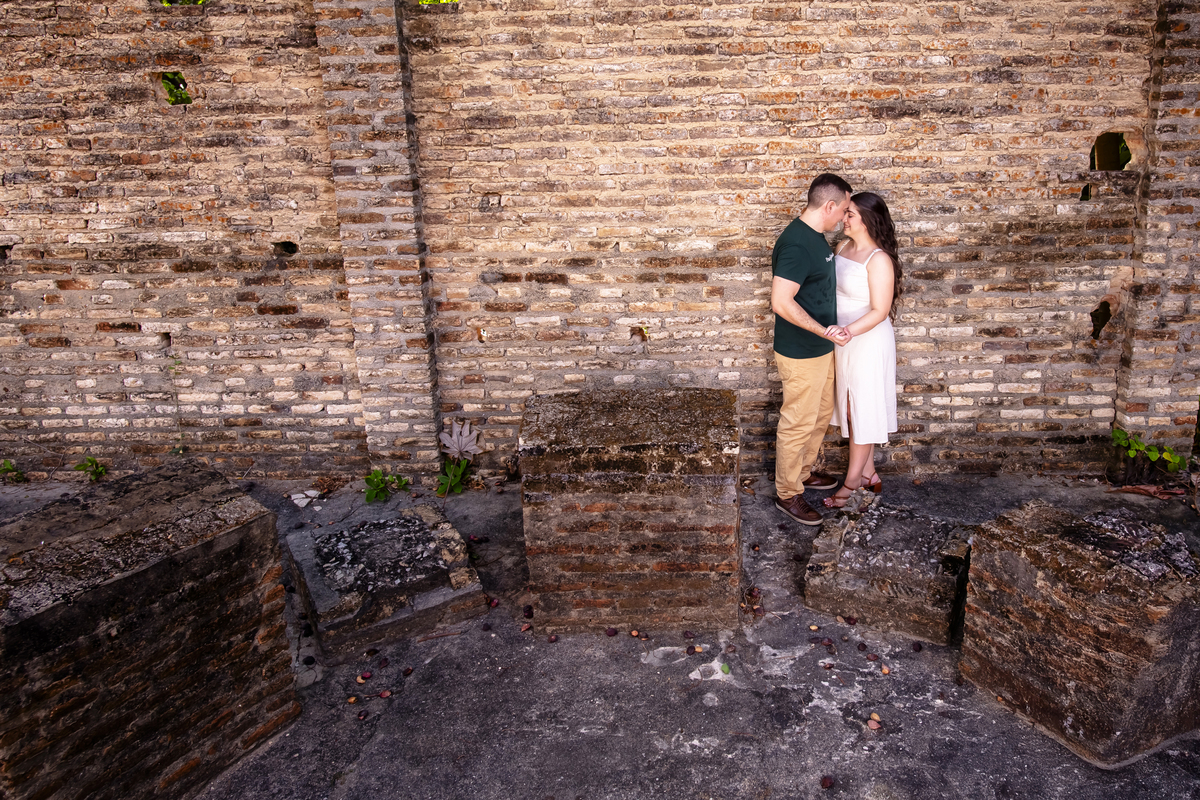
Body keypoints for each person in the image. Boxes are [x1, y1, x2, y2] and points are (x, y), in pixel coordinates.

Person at [770, 173, 854, 526]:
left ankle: (803, 474)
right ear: (830, 205)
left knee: (818, 418)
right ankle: (788, 493)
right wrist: (822, 330)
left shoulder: (817, 237)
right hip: (801, 350)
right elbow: (780, 301)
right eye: (844, 210)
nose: (845, 218)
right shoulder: (796, 244)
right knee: (798, 422)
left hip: (820, 348)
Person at [822, 191, 901, 508]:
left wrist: (847, 331)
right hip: (843, 340)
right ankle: (868, 472)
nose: (843, 217)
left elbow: (880, 310)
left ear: (868, 220)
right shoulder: (841, 247)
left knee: (858, 410)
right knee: (852, 407)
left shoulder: (878, 259)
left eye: (850, 213)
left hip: (865, 340)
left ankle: (852, 481)